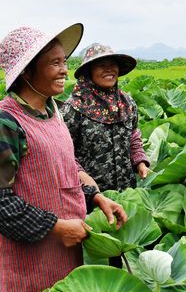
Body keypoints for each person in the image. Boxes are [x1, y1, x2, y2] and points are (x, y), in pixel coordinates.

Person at [0, 24, 128, 292]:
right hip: (26, 264)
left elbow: (65, 168)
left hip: (62, 256)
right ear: (28, 72)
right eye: (54, 63)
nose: (64, 70)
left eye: (64, 62)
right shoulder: (4, 124)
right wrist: (55, 228)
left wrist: (96, 197)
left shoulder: (52, 110)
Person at [62, 43, 149, 192]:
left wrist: (140, 161)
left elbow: (133, 136)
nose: (109, 69)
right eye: (101, 65)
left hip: (126, 190)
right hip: (89, 195)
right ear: (89, 71)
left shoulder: (127, 103)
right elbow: (64, 152)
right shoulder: (74, 107)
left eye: (112, 64)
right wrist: (85, 181)